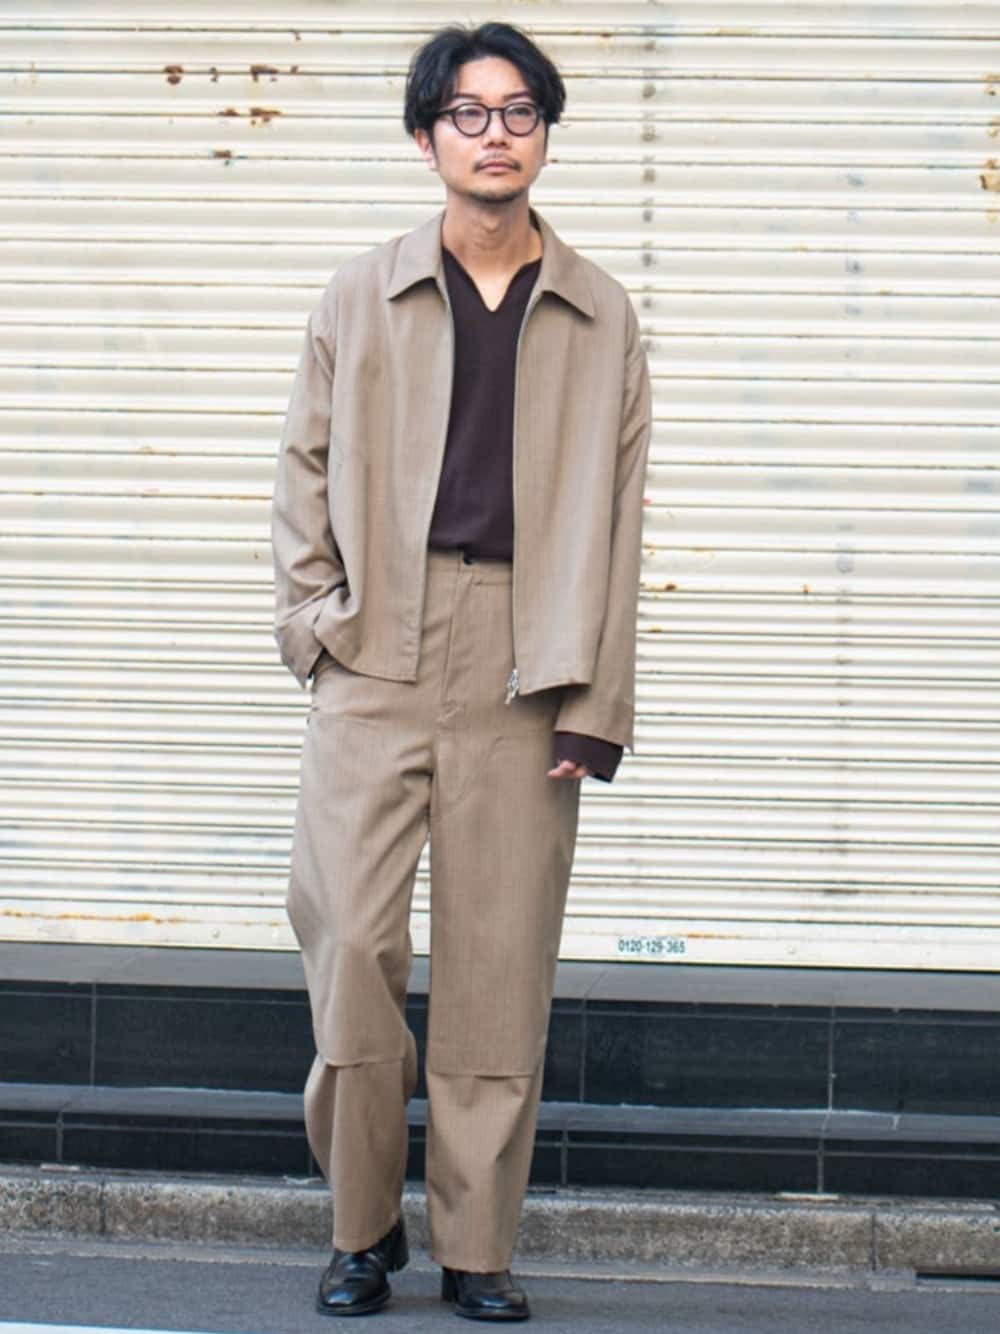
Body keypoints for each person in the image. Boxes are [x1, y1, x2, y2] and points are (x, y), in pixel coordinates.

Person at [271, 20, 651, 1322]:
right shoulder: (360, 295)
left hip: (527, 663)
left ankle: (477, 1246)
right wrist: (315, 625)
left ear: (546, 132)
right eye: (469, 113)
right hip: (375, 649)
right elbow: (302, 470)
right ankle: (360, 1226)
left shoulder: (600, 312)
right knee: (351, 946)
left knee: (497, 970)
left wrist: (597, 702)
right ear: (427, 136)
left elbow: (620, 514)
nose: (496, 134)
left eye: (519, 111)